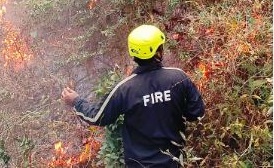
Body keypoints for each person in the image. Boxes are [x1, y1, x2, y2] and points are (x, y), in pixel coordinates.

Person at [62, 25, 205, 167]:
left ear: (133, 53)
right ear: (158, 51)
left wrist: (76, 101)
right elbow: (197, 113)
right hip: (175, 162)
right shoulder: (179, 77)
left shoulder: (125, 89)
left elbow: (97, 117)